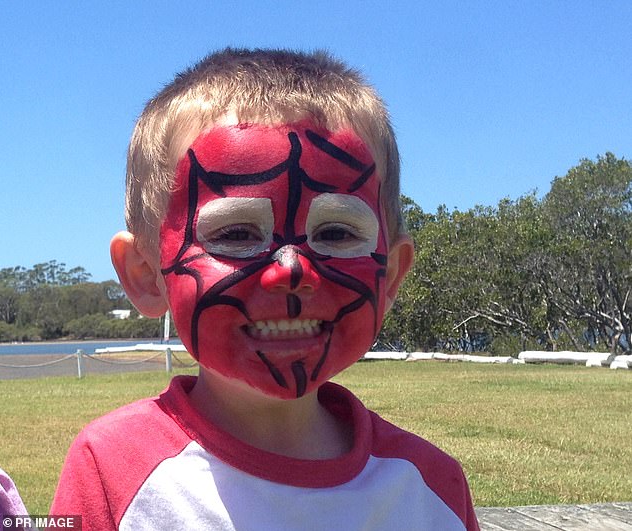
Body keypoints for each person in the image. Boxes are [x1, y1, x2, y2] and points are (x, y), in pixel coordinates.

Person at [51, 48, 479, 530]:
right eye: (235, 234)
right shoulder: (111, 471)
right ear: (146, 274)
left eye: (337, 233)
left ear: (392, 277)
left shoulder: (432, 488)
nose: (291, 271)